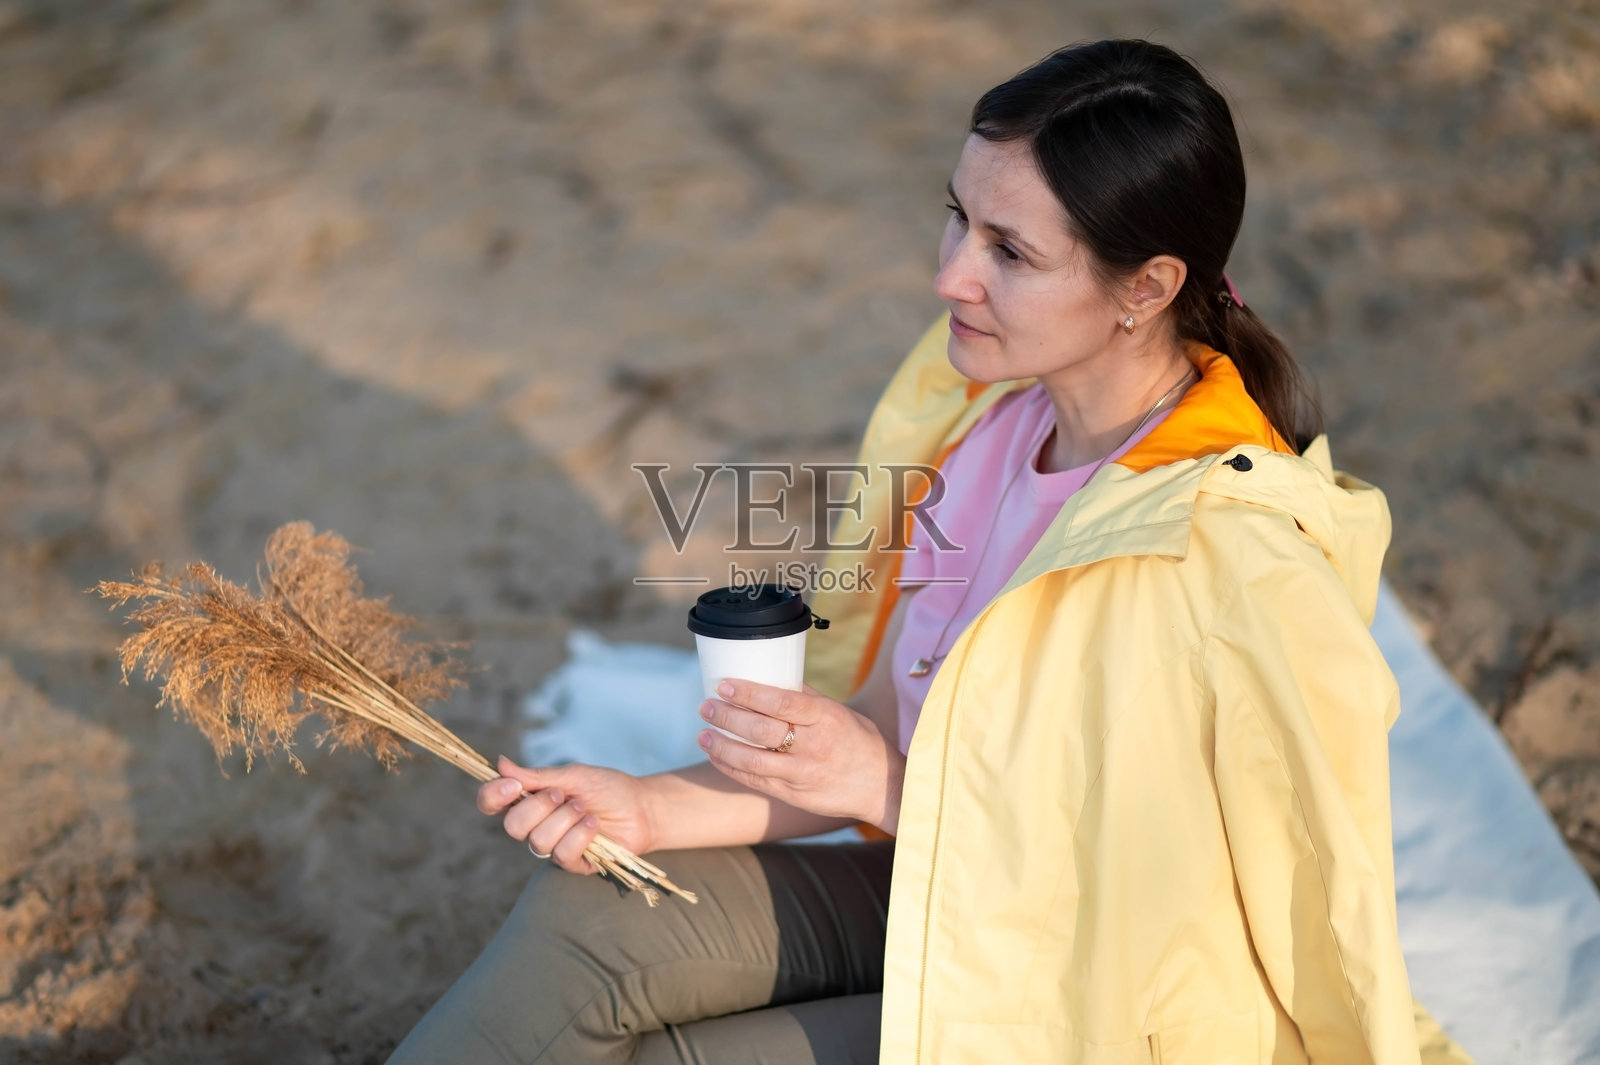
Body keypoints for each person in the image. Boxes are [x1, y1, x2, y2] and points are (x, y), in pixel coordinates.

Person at [388, 39, 1473, 1065]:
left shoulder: (1228, 556)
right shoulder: (987, 425)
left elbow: (1186, 894)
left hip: (1110, 997)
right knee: (590, 904)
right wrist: (652, 808)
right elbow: (890, 728)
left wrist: (889, 787)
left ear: (1144, 287)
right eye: (957, 220)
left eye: (1010, 251)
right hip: (940, 881)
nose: (953, 275)